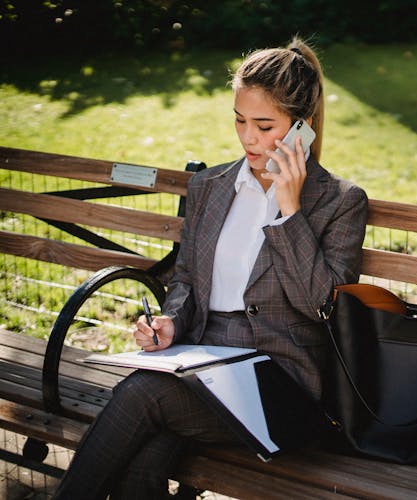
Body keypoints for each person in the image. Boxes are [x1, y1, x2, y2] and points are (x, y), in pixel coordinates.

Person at [53, 37, 368, 499]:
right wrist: (170, 323)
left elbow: (323, 307)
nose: (248, 138)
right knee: (142, 462)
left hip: (281, 385)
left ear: (302, 127)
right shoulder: (210, 186)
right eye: (240, 121)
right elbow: (185, 280)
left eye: (265, 125)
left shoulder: (339, 202)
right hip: (200, 365)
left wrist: (288, 211)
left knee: (142, 395)